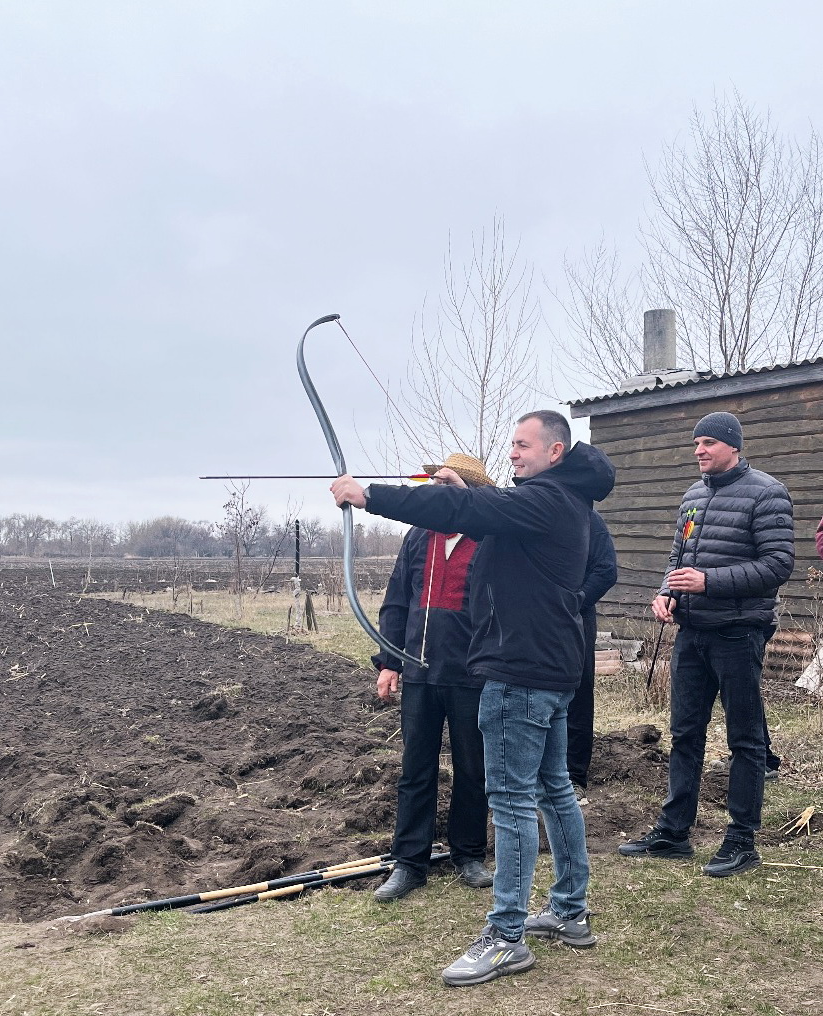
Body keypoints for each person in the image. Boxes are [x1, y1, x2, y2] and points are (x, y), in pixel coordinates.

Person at [332, 411, 616, 986]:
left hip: (519, 672)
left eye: (523, 445)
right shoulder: (565, 499)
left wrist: (368, 496)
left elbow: (464, 510)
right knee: (553, 790)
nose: (512, 453)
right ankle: (569, 909)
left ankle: (506, 937)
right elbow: (475, 512)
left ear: (555, 451)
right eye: (511, 444)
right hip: (547, 668)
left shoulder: (546, 499)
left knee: (511, 802)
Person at [619, 411, 794, 877]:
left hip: (738, 632)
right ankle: (674, 833)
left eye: (709, 443)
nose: (699, 450)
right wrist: (667, 592)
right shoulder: (694, 495)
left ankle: (741, 840)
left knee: (745, 739)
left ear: (733, 445)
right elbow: (678, 556)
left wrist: (709, 581)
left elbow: (778, 564)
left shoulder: (767, 492)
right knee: (685, 734)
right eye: (696, 442)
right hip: (692, 633)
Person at [372, 453, 494, 901]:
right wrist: (390, 662)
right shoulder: (419, 535)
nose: (435, 491)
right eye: (434, 483)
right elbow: (396, 602)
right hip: (420, 671)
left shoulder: (488, 537)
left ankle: (469, 854)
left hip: (472, 674)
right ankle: (409, 863)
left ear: (467, 491)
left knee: (472, 768)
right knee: (415, 769)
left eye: (445, 483)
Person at [567, 511, 618, 790]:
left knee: (578, 691)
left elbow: (606, 570)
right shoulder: (529, 510)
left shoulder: (588, 519)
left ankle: (574, 774)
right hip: (534, 618)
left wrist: (576, 601)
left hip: (575, 618)